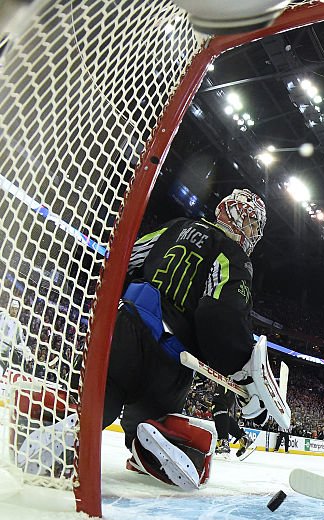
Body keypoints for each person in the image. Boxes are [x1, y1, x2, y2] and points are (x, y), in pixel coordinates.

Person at [19, 189, 290, 489]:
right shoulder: (233, 256)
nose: (253, 233)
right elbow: (220, 315)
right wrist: (239, 367)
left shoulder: (175, 226)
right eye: (252, 224)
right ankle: (148, 440)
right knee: (156, 421)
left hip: (125, 328)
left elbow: (125, 260)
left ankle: (67, 429)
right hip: (171, 358)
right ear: (238, 218)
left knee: (101, 401)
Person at [0, 298, 33, 377]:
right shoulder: (2, 315)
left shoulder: (17, 324)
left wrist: (25, 350)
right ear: (10, 307)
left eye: (16, 309)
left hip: (4, 355)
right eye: (13, 308)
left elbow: (20, 341)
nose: (14, 310)